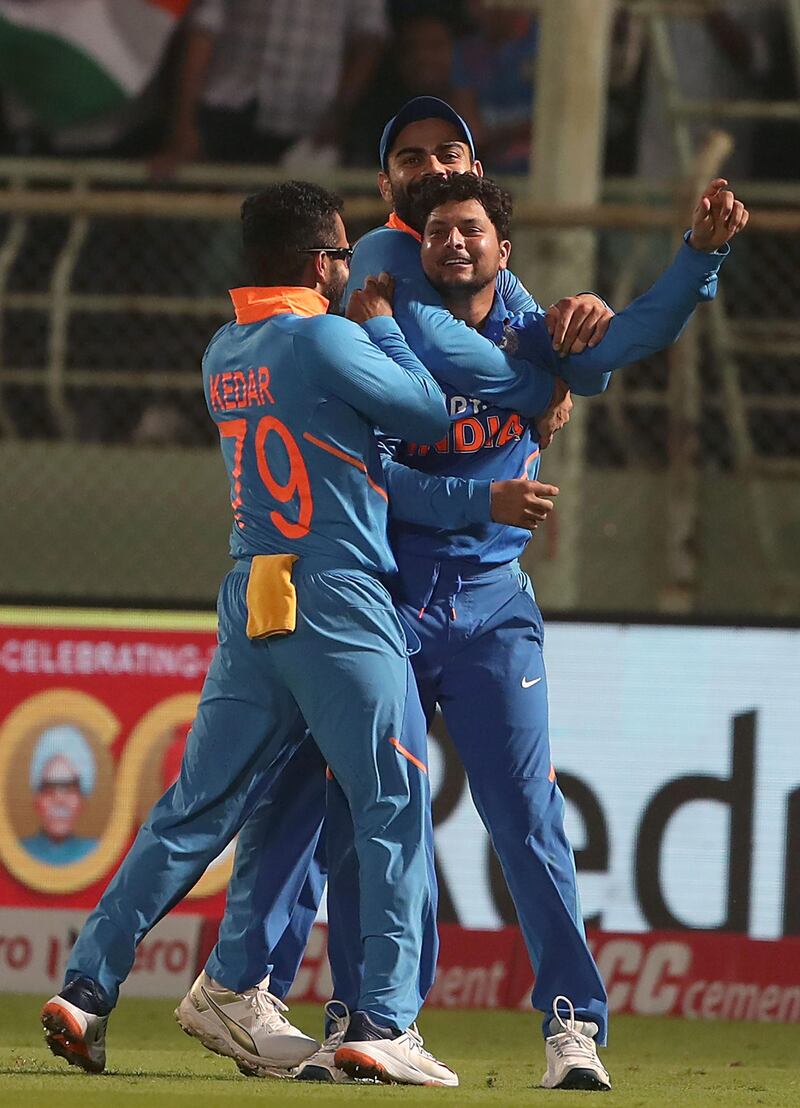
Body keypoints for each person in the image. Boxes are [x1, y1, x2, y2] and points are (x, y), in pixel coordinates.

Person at [175, 127, 744, 1092]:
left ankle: (572, 1025)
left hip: (488, 609)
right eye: (437, 222)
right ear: (405, 220)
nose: (453, 237)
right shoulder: (375, 317)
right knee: (353, 804)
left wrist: (698, 257)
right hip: (387, 596)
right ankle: (357, 1020)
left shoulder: (530, 327)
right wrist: (522, 420)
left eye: (471, 224)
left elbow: (629, 341)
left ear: (503, 245)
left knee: (526, 819)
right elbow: (379, 475)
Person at [40, 179, 460, 1088]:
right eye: (342, 256)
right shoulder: (328, 335)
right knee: (391, 805)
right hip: (337, 595)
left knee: (195, 812)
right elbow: (430, 415)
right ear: (320, 262)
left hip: (253, 591)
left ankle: (85, 987)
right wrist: (383, 325)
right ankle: (385, 1024)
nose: (350, 270)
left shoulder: (221, 349)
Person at [152, 0, 389, 174]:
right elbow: (202, 30)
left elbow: (369, 36)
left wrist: (339, 115)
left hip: (311, 125)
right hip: (228, 113)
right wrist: (183, 124)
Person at [23, 725, 98, 865]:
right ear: (37, 800)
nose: (59, 800)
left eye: (69, 788)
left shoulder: (95, 853)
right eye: (49, 788)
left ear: (82, 800)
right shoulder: (20, 853)